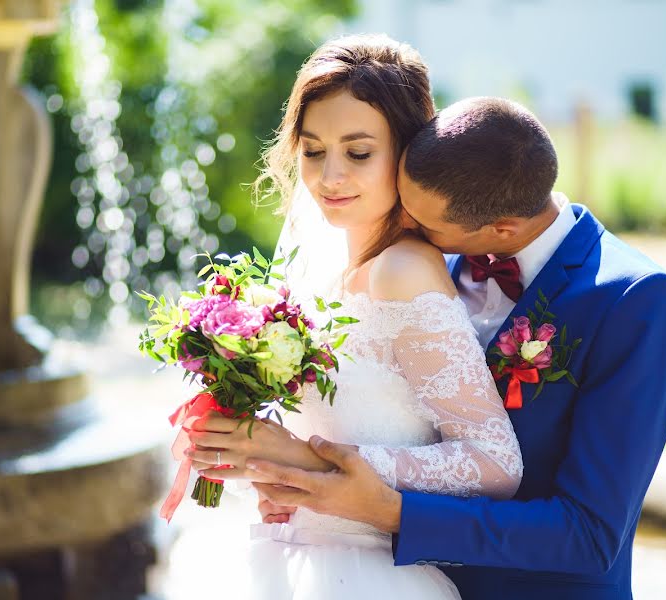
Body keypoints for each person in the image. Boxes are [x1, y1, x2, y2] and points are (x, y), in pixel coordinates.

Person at [229, 97, 666, 600]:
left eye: (426, 224)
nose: (404, 223)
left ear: (502, 230)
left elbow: (590, 533)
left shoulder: (635, 301)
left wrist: (389, 511)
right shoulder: (430, 265)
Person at [186, 36, 524, 600]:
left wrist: (309, 460)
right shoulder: (327, 271)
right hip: (296, 561)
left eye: (358, 152)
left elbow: (495, 463)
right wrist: (271, 471)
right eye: (314, 151)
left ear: (407, 152)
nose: (329, 177)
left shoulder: (403, 273)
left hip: (373, 576)